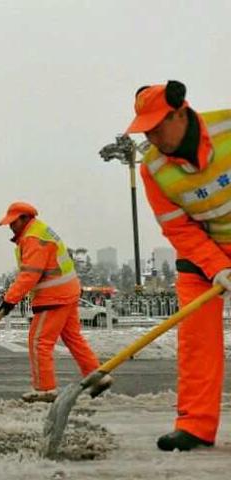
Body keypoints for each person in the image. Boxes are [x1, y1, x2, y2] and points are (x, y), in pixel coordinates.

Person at [125, 80, 231, 451]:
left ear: (181, 112)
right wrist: (217, 265)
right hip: (202, 250)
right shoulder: (152, 168)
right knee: (197, 339)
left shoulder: (227, 129)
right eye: (146, 130)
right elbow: (177, 227)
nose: (152, 137)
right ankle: (196, 426)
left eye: (157, 127)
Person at [0, 202, 113, 402]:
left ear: (25, 218)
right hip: (67, 292)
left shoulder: (34, 238)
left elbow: (30, 275)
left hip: (53, 297)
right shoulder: (40, 231)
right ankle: (97, 377)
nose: (10, 226)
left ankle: (45, 390)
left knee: (38, 342)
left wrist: (10, 299)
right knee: (73, 338)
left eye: (13, 222)